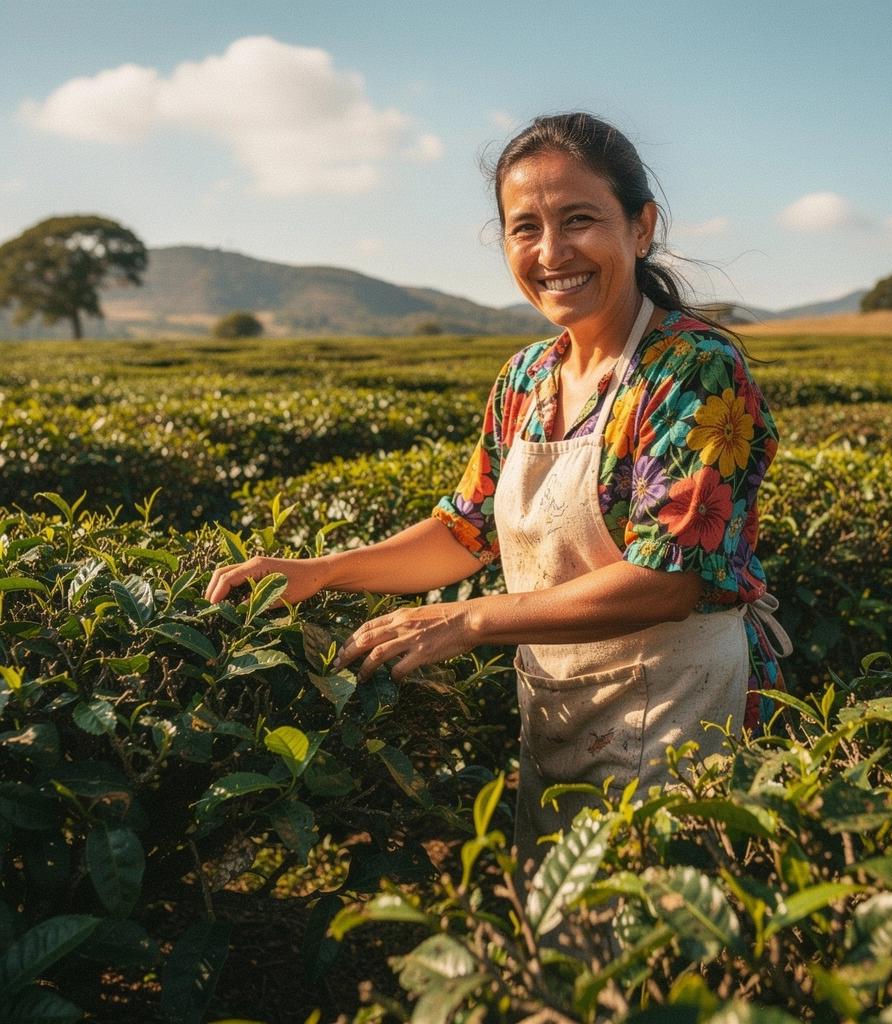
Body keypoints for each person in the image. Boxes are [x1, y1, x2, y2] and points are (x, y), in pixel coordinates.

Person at [204, 112, 790, 872]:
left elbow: (667, 580)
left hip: (684, 708)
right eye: (525, 228)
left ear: (641, 228)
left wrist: (471, 618)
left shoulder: (693, 369)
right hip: (561, 707)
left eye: (579, 220)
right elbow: (464, 532)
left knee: (666, 925)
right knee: (559, 919)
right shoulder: (526, 377)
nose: (552, 253)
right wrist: (319, 572)